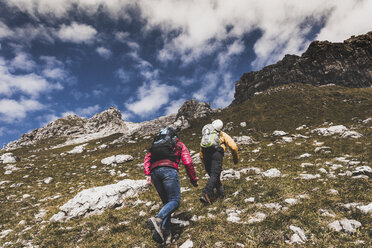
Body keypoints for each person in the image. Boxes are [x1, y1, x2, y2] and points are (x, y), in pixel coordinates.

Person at [144, 127, 198, 244]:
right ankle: (157, 219)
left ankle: (166, 236)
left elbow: (147, 158)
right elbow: (188, 162)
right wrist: (193, 180)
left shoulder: (157, 144)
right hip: (168, 170)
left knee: (167, 203)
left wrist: (148, 174)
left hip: (154, 173)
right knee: (175, 201)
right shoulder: (178, 144)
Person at [199, 119, 238, 204]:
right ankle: (206, 193)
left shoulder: (206, 136)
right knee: (215, 175)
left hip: (205, 155)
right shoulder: (221, 134)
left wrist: (203, 161)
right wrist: (235, 158)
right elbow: (233, 146)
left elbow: (201, 151)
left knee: (214, 176)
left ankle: (222, 195)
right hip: (216, 154)